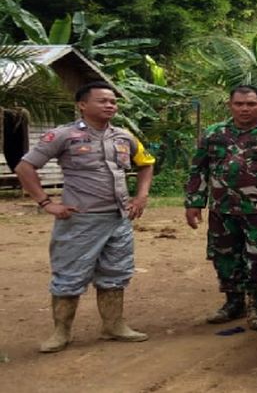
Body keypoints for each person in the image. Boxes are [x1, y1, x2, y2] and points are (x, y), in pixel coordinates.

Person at [14, 81, 155, 353]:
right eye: (103, 101)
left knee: (116, 273)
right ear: (82, 105)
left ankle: (114, 326)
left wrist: (141, 196)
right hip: (80, 220)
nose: (110, 105)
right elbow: (25, 167)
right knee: (69, 275)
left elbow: (146, 164)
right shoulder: (63, 135)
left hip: (118, 219)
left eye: (113, 101)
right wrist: (46, 203)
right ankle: (61, 332)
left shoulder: (124, 136)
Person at [184, 85, 257, 330]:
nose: (244, 109)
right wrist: (194, 202)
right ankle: (233, 302)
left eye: (250, 104)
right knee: (224, 256)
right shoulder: (214, 133)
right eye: (239, 104)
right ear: (230, 105)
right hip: (222, 210)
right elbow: (199, 169)